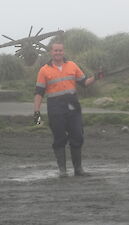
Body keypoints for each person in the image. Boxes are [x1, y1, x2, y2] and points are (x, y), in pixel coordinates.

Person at [33, 41, 103, 178]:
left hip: (73, 106)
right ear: (51, 52)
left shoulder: (72, 65)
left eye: (60, 50)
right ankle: (63, 171)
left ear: (63, 52)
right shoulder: (44, 70)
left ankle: (78, 169)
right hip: (55, 107)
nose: (58, 53)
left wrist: (96, 77)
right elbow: (39, 92)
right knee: (59, 138)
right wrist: (36, 113)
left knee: (77, 135)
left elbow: (84, 83)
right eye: (55, 51)